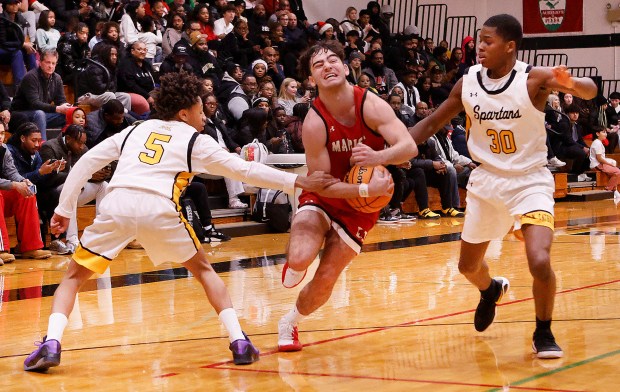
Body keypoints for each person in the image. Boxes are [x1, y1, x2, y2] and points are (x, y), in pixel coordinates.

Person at [23, 71, 338, 371]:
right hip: (158, 207)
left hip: (117, 205)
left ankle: (52, 342)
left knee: (73, 278)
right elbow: (244, 171)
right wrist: (296, 183)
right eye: (201, 109)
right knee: (203, 270)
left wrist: (64, 209)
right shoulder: (195, 140)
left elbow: (88, 162)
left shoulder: (134, 130)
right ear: (186, 112)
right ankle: (239, 341)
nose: (205, 117)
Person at [408, 14, 597, 359]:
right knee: (467, 267)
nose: (480, 46)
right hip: (486, 181)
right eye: (479, 39)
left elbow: (589, 90)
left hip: (529, 181)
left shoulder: (532, 78)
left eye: (488, 40)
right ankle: (490, 289)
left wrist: (574, 83)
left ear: (509, 46)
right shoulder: (467, 83)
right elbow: (433, 121)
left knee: (539, 259)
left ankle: (543, 331)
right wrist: (393, 150)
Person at [277, 41, 416, 352]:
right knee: (300, 257)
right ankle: (295, 262)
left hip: (359, 210)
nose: (328, 66)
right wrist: (366, 188)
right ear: (311, 80)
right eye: (318, 64)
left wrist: (379, 158)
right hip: (325, 198)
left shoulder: (371, 104)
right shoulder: (314, 123)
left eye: (333, 60)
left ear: (345, 66)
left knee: (326, 277)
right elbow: (323, 184)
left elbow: (409, 147)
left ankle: (289, 322)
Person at [0, 121, 52, 262]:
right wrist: (14, 185)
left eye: (3, 133)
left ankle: (31, 247)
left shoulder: (4, 149)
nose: (1, 137)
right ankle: (1, 249)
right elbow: (11, 182)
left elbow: (12, 172)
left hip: (4, 193)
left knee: (27, 193)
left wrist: (23, 181)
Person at [10, 48, 70, 140]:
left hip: (42, 115)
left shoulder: (57, 78)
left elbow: (61, 100)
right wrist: (57, 108)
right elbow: (34, 103)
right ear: (40, 62)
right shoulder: (31, 77)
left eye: (53, 63)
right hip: (21, 114)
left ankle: (63, 145)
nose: (50, 66)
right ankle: (42, 147)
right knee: (39, 114)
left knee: (69, 115)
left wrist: (66, 107)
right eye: (48, 62)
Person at [589, 125, 620, 198]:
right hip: (597, 164)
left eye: (606, 132)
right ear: (597, 134)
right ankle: (608, 190)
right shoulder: (597, 143)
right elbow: (599, 158)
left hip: (600, 163)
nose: (606, 134)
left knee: (615, 166)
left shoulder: (598, 142)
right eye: (603, 132)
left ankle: (614, 190)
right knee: (617, 171)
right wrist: (609, 164)